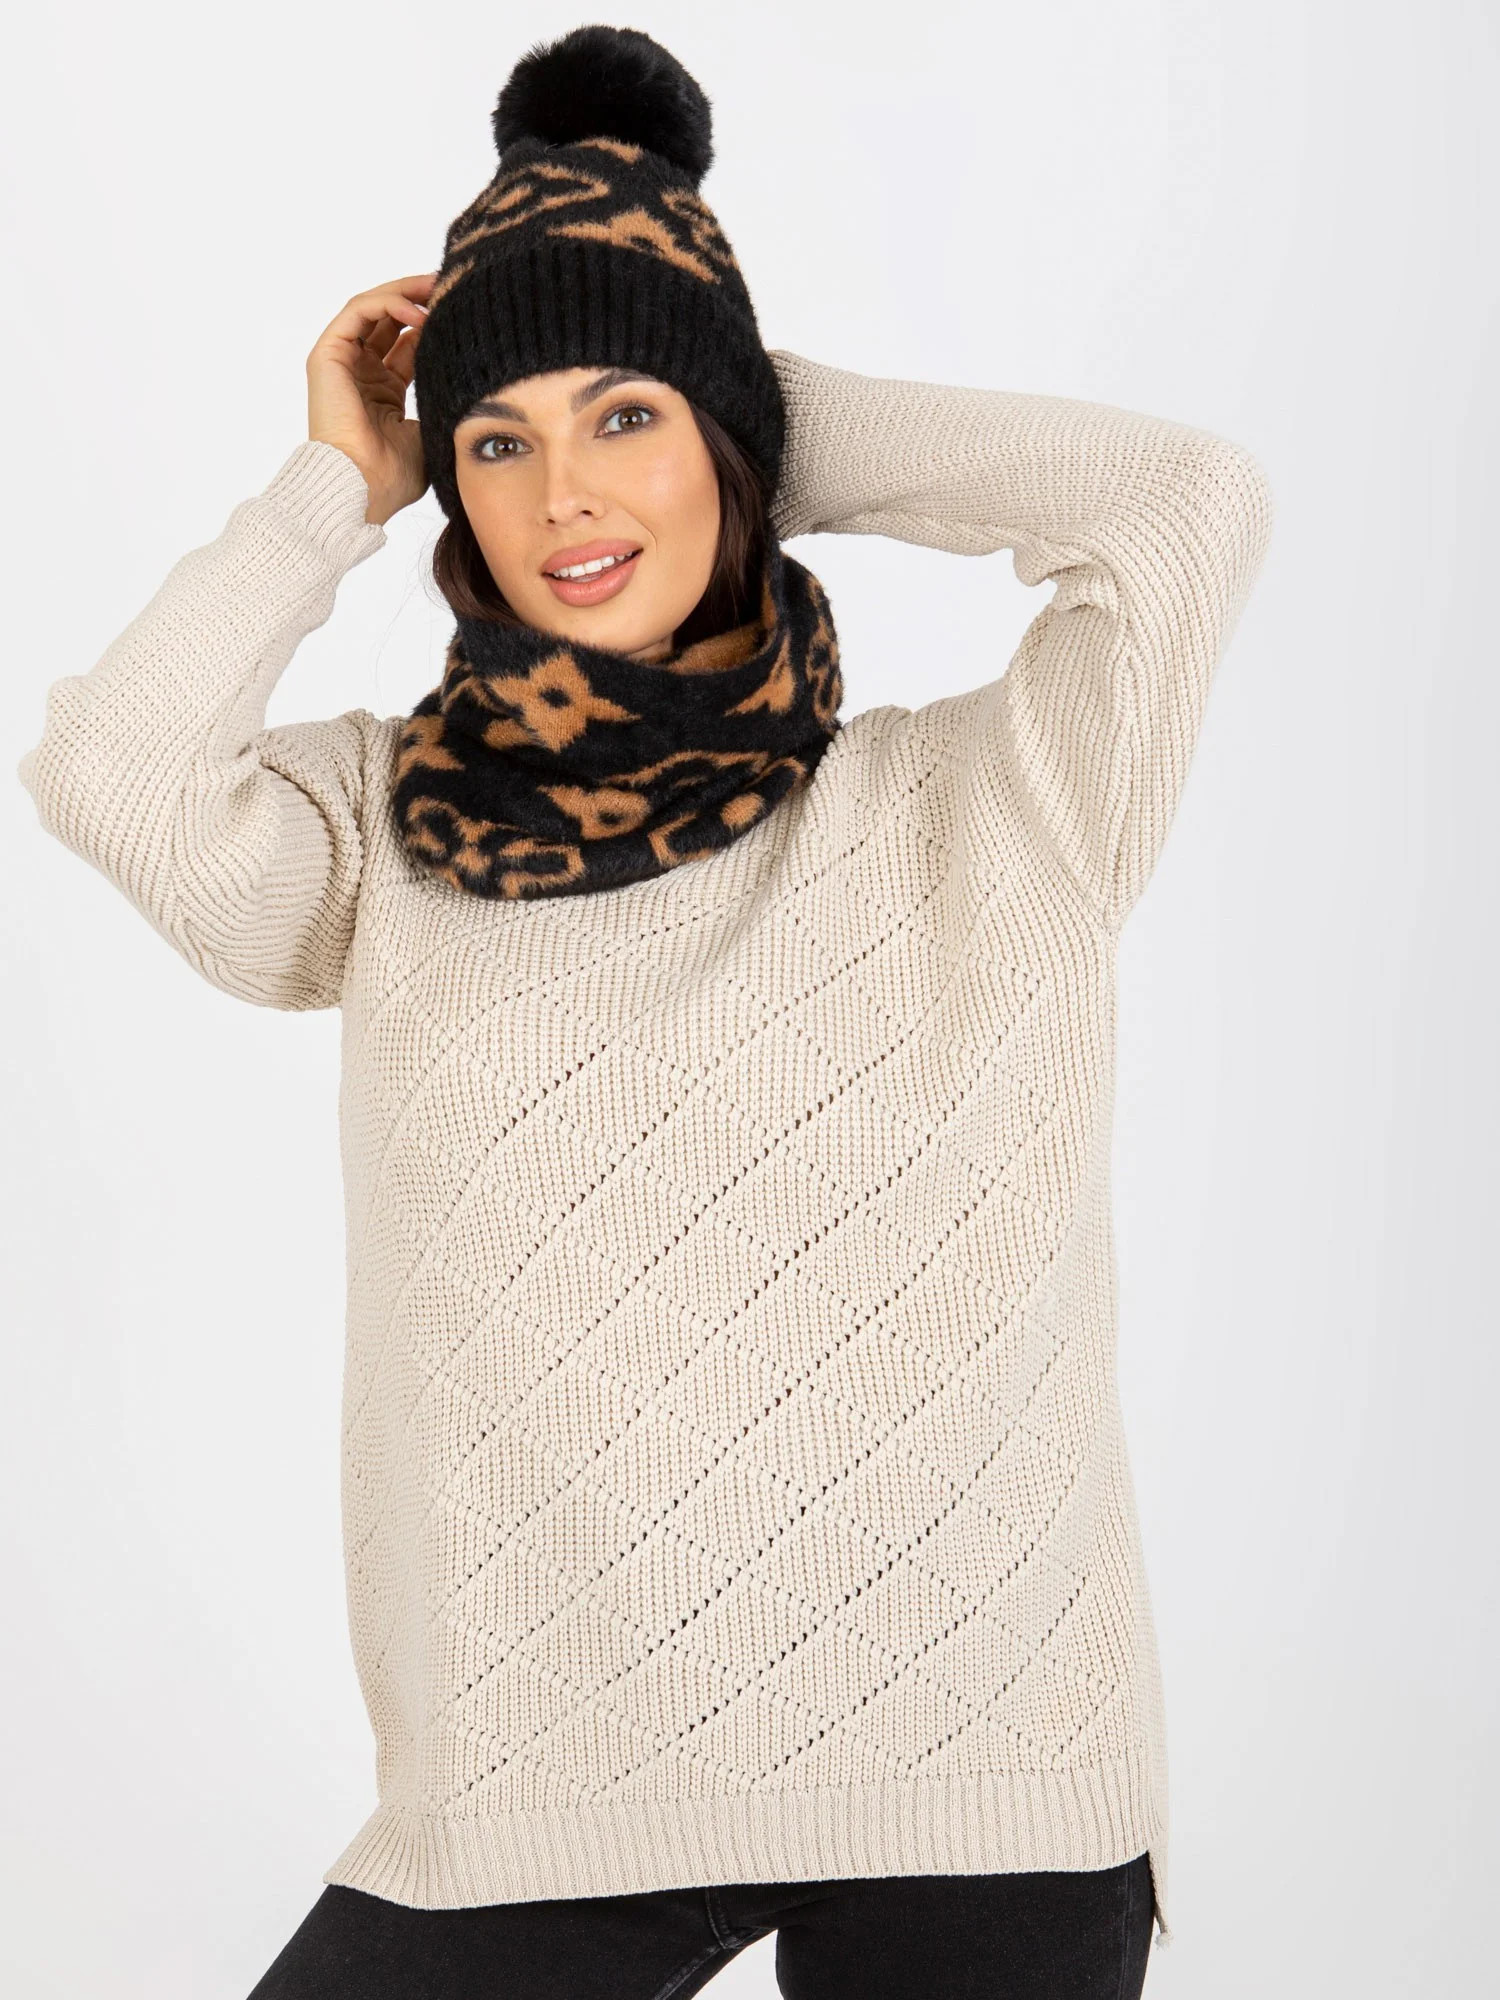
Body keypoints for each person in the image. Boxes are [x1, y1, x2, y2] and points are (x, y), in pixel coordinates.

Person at [16, 24, 1274, 2000]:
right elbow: (113, 777)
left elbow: (1182, 505)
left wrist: (736, 396)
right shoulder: (386, 834)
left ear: (734, 446)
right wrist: (336, 484)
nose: (564, 492)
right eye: (498, 441)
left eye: (626, 420)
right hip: (541, 1796)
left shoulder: (998, 801)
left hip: (984, 1778)